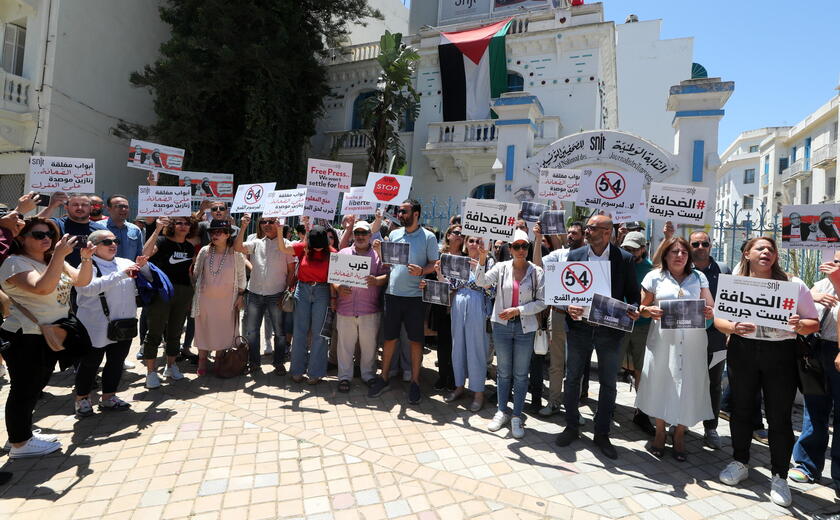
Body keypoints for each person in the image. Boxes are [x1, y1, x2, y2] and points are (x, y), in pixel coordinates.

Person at [715, 237, 819, 507]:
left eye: (771, 249)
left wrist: (799, 325)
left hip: (780, 356)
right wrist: (732, 328)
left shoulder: (793, 285)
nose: (766, 252)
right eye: (760, 248)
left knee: (779, 417)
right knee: (741, 409)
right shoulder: (734, 283)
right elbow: (718, 319)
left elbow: (813, 323)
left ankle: (780, 476)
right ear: (747, 253)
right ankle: (740, 461)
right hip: (743, 351)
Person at [0, 218, 94, 458]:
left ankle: (19, 435)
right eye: (38, 234)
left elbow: (82, 281)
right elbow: (42, 287)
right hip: (25, 336)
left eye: (49, 235)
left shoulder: (52, 261)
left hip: (49, 334)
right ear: (21, 238)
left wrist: (86, 257)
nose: (46, 239)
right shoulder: (14, 263)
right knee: (24, 389)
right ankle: (20, 444)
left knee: (35, 386)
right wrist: (58, 256)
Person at [555, 215, 640, 460]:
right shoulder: (575, 255)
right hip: (579, 329)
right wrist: (569, 306)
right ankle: (571, 425)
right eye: (587, 228)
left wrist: (632, 309)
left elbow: (633, 296)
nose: (587, 231)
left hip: (609, 332)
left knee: (608, 383)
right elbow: (565, 293)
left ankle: (601, 433)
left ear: (606, 232)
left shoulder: (623, 259)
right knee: (572, 379)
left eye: (591, 228)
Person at [635, 237, 715, 461]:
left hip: (693, 342)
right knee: (661, 382)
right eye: (674, 252)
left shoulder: (698, 277)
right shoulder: (654, 276)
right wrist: (649, 310)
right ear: (666, 255)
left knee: (688, 385)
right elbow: (641, 307)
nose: (679, 256)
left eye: (684, 252)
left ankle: (679, 434)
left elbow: (709, 304)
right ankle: (660, 432)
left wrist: (709, 311)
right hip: (663, 341)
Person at [475, 229, 546, 438]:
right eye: (517, 246)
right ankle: (501, 411)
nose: (521, 250)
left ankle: (516, 416)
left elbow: (542, 302)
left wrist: (518, 310)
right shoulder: (501, 267)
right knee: (504, 372)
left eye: (524, 246)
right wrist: (481, 258)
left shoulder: (536, 272)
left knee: (521, 374)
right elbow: (481, 282)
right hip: (502, 326)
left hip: (525, 327)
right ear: (510, 248)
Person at [367, 199, 439, 404]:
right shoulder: (395, 234)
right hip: (392, 295)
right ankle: (384, 377)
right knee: (389, 339)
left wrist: (422, 271)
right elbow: (388, 263)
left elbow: (434, 263)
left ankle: (415, 382)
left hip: (415, 298)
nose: (400, 214)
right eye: (399, 211)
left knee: (416, 341)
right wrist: (380, 251)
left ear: (416, 213)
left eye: (404, 211)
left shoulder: (429, 237)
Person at [73, 230, 148, 416]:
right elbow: (87, 289)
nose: (113, 244)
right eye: (106, 241)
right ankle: (82, 399)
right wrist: (121, 275)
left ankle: (109, 397)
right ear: (93, 246)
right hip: (94, 326)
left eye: (115, 241)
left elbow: (147, 277)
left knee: (116, 362)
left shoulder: (125, 262)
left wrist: (144, 267)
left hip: (123, 324)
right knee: (90, 363)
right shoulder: (86, 265)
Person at [790, 252, 840, 496]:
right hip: (818, 348)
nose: (834, 264)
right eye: (835, 260)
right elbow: (801, 305)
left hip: (838, 349)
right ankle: (808, 464)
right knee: (814, 406)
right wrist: (813, 294)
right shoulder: (822, 283)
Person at [533, 221, 584, 417]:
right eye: (569, 232)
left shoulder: (590, 256)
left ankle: (573, 409)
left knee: (576, 366)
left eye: (575, 233)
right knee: (556, 363)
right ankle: (553, 402)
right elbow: (537, 265)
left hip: (580, 319)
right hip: (558, 315)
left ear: (583, 236)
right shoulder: (559, 254)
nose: (570, 235)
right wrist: (538, 240)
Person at [141, 216, 199, 388]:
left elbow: (190, 271)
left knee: (175, 332)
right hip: (162, 292)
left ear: (190, 227)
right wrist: (157, 229)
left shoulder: (189, 246)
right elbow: (145, 254)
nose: (183, 226)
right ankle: (151, 373)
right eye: (179, 223)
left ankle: (171, 366)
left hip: (183, 292)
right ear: (173, 225)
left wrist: (192, 292)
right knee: (155, 332)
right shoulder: (162, 241)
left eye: (186, 223)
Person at [235, 213, 296, 374]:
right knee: (252, 331)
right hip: (254, 293)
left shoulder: (287, 244)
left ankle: (279, 363)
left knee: (279, 332)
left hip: (276, 294)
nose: (267, 224)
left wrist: (286, 292)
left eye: (271, 221)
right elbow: (237, 248)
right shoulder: (256, 243)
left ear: (278, 223)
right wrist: (243, 227)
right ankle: (254, 363)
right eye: (263, 222)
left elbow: (291, 271)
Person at [440, 234, 494, 412]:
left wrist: (479, 266)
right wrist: (440, 274)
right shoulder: (459, 261)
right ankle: (459, 386)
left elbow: (491, 288)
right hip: (459, 302)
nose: (474, 244)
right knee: (458, 346)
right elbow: (450, 285)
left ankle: (478, 392)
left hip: (478, 304)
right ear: (465, 243)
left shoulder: (489, 262)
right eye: (471, 240)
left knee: (476, 348)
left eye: (478, 241)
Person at [688, 230, 731, 449]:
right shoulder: (683, 268)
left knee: (714, 383)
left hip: (716, 337)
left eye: (704, 243)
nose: (700, 247)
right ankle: (681, 423)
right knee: (685, 379)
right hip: (687, 336)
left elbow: (732, 303)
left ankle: (711, 427)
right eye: (695, 244)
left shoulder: (723, 270)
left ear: (710, 245)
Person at [333, 220, 388, 391]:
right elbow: (333, 278)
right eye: (357, 233)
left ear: (370, 236)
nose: (360, 236)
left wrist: (376, 280)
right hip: (346, 309)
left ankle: (368, 375)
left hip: (369, 309)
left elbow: (387, 276)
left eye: (364, 233)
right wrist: (338, 288)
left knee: (369, 346)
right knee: (345, 346)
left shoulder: (378, 255)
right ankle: (344, 377)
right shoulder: (343, 253)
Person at [277, 221, 335, 384]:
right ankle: (297, 370)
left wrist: (333, 299)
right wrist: (280, 231)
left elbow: (335, 278)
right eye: (314, 246)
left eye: (319, 246)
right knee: (299, 331)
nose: (317, 249)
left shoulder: (332, 253)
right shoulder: (303, 247)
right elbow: (283, 249)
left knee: (319, 333)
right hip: (302, 290)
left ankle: (315, 373)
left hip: (323, 291)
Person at [191, 219, 246, 374]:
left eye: (219, 232)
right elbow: (196, 273)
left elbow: (242, 276)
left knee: (224, 330)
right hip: (205, 299)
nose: (214, 235)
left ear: (228, 235)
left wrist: (241, 294)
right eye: (212, 232)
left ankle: (219, 361)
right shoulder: (204, 251)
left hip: (228, 300)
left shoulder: (236, 253)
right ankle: (202, 361)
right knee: (204, 329)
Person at [615, 231, 656, 436]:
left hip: (642, 325)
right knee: (612, 364)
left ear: (643, 249)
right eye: (626, 248)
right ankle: (608, 407)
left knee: (642, 370)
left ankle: (641, 412)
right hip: (618, 322)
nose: (629, 252)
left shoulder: (651, 270)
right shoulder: (617, 263)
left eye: (633, 249)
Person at [431, 224, 464, 390]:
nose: (459, 235)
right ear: (448, 235)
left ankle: (454, 378)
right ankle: (442, 376)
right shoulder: (440, 256)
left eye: (461, 233)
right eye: (456, 232)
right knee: (443, 344)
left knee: (457, 345)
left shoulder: (466, 257)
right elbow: (430, 280)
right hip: (443, 306)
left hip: (460, 307)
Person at [39, 193, 106, 267]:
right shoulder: (56, 224)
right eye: (75, 205)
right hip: (60, 274)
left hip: (92, 275)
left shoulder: (101, 230)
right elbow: (34, 224)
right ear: (66, 207)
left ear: (91, 208)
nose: (80, 208)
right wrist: (51, 206)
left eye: (84, 205)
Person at [103, 194, 144, 261]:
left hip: (128, 270)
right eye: (119, 206)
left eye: (126, 207)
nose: (124, 209)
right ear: (108, 209)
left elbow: (139, 255)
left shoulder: (135, 230)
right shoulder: (98, 227)